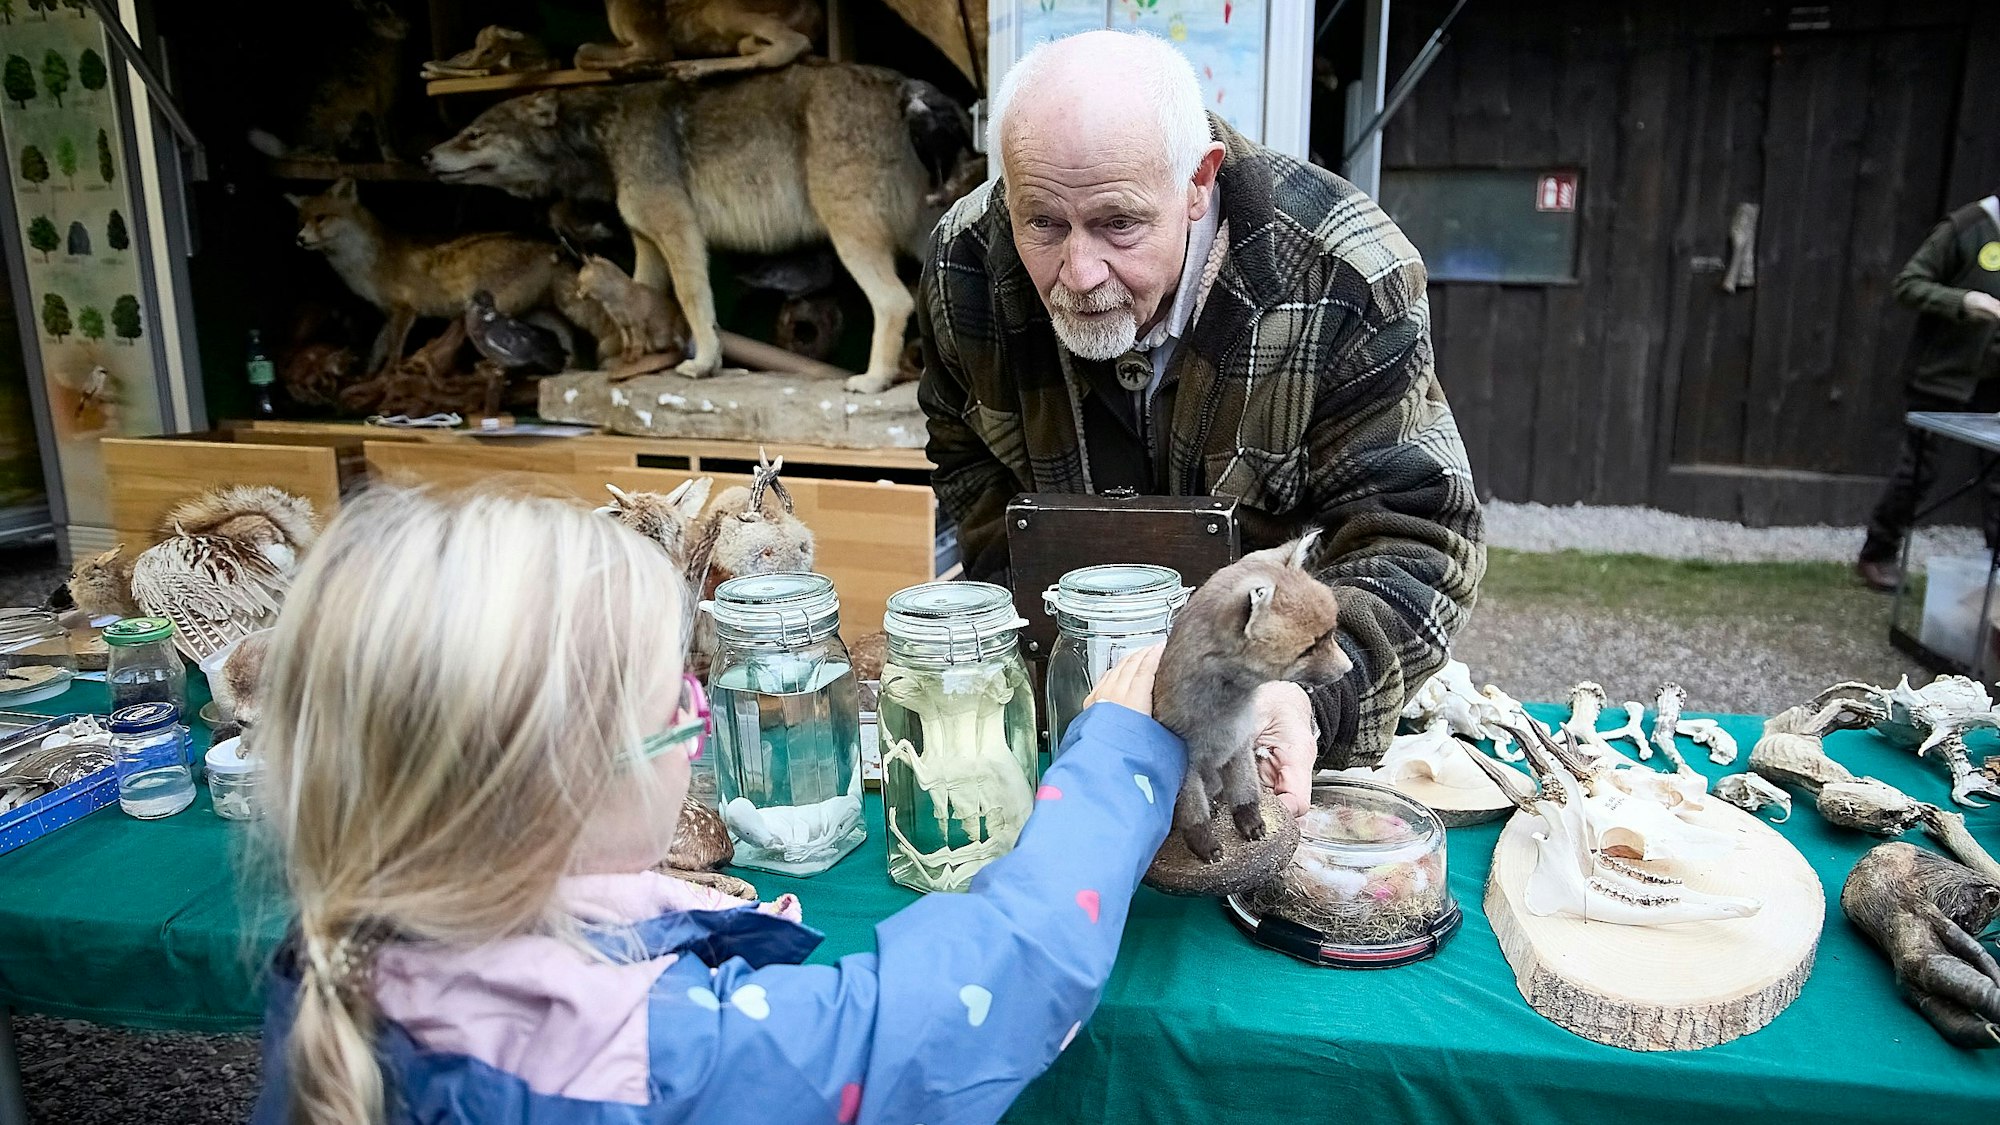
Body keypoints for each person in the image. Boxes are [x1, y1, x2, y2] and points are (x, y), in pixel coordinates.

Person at [248, 487, 1185, 1125]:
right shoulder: (671, 1051)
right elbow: (981, 994)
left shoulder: (350, 945)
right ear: (561, 789)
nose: (705, 721)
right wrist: (1116, 757)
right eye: (678, 703)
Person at [916, 30, 1485, 784]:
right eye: (1043, 223)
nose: (1078, 274)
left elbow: (1421, 539)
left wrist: (1308, 701)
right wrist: (1043, 639)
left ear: (1198, 182)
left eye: (1119, 224)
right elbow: (971, 474)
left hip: (1267, 720)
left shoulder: (1345, 277)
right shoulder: (963, 268)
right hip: (1070, 729)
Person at [1856, 190, 2000, 591]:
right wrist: (1964, 300)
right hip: (1944, 374)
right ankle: (1878, 553)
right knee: (1920, 469)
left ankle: (1996, 572)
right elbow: (1909, 285)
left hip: (1995, 379)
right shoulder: (1969, 227)